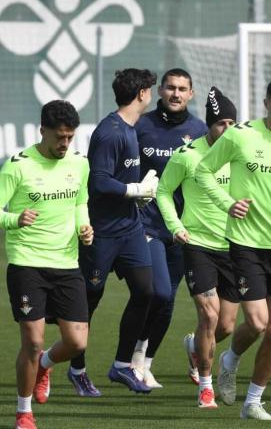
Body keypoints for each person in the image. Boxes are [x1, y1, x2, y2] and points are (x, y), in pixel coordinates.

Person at [194, 77, 271, 420]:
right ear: (266, 103)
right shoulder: (241, 135)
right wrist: (226, 202)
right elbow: (203, 171)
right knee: (259, 321)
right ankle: (230, 359)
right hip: (245, 243)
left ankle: (252, 400)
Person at [0, 100, 92, 429]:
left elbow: (81, 201)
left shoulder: (79, 165)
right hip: (27, 263)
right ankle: (24, 412)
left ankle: (45, 365)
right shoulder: (18, 166)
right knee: (33, 340)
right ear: (43, 131)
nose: (65, 144)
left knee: (78, 342)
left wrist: (85, 225)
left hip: (67, 263)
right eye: (59, 137)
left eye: (70, 137)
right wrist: (14, 219)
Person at [69, 68, 158, 396]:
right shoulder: (110, 132)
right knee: (88, 300)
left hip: (130, 229)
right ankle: (75, 368)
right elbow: (99, 181)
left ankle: (122, 365)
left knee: (146, 291)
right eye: (150, 89)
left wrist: (140, 192)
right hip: (103, 232)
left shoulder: (131, 129)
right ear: (141, 94)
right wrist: (136, 190)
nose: (152, 94)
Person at [157, 86, 239, 408]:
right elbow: (163, 192)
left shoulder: (241, 157)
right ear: (210, 125)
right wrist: (175, 226)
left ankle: (195, 348)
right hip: (197, 244)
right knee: (209, 314)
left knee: (227, 325)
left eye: (233, 123)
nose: (227, 130)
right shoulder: (188, 156)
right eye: (221, 123)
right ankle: (205, 385)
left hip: (234, 246)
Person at [132, 68, 208, 388]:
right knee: (157, 291)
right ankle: (132, 358)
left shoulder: (201, 131)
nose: (176, 94)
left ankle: (144, 364)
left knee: (167, 300)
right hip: (147, 222)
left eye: (182, 89)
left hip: (184, 228)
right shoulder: (142, 126)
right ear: (160, 91)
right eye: (170, 88)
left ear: (191, 94)